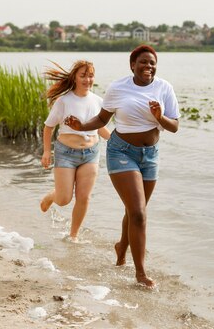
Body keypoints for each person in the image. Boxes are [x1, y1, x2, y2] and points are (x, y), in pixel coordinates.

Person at [64, 45, 180, 288]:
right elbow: (102, 120)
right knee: (138, 212)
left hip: (150, 155)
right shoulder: (118, 87)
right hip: (121, 152)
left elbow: (174, 126)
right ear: (132, 65)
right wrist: (81, 126)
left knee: (135, 211)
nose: (148, 67)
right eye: (143, 63)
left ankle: (121, 246)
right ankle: (140, 273)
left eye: (152, 63)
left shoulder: (164, 87)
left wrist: (159, 117)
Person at [40, 60, 110, 242]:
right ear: (75, 78)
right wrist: (47, 152)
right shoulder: (64, 101)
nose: (88, 79)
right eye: (83, 75)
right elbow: (48, 127)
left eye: (91, 75)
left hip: (91, 153)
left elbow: (100, 128)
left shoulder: (98, 101)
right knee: (64, 199)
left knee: (84, 197)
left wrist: (118, 142)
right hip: (66, 153)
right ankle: (52, 195)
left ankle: (74, 236)